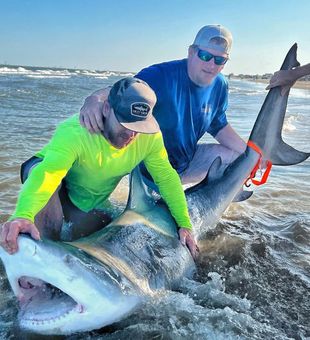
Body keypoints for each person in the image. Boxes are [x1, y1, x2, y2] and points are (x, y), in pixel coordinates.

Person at [0, 78, 198, 258]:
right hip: (52, 183)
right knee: (50, 228)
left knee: (93, 242)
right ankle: (38, 260)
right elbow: (48, 174)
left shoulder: (149, 137)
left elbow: (166, 177)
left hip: (85, 200)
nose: (130, 134)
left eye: (138, 127)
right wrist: (23, 214)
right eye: (124, 123)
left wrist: (184, 224)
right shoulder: (77, 132)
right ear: (106, 109)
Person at [80, 25, 247, 187]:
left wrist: (252, 156)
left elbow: (218, 125)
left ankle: (214, 207)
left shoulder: (220, 85)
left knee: (239, 159)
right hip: (152, 169)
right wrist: (94, 99)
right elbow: (121, 91)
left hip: (186, 163)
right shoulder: (161, 76)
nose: (211, 65)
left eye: (219, 60)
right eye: (205, 56)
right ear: (191, 52)